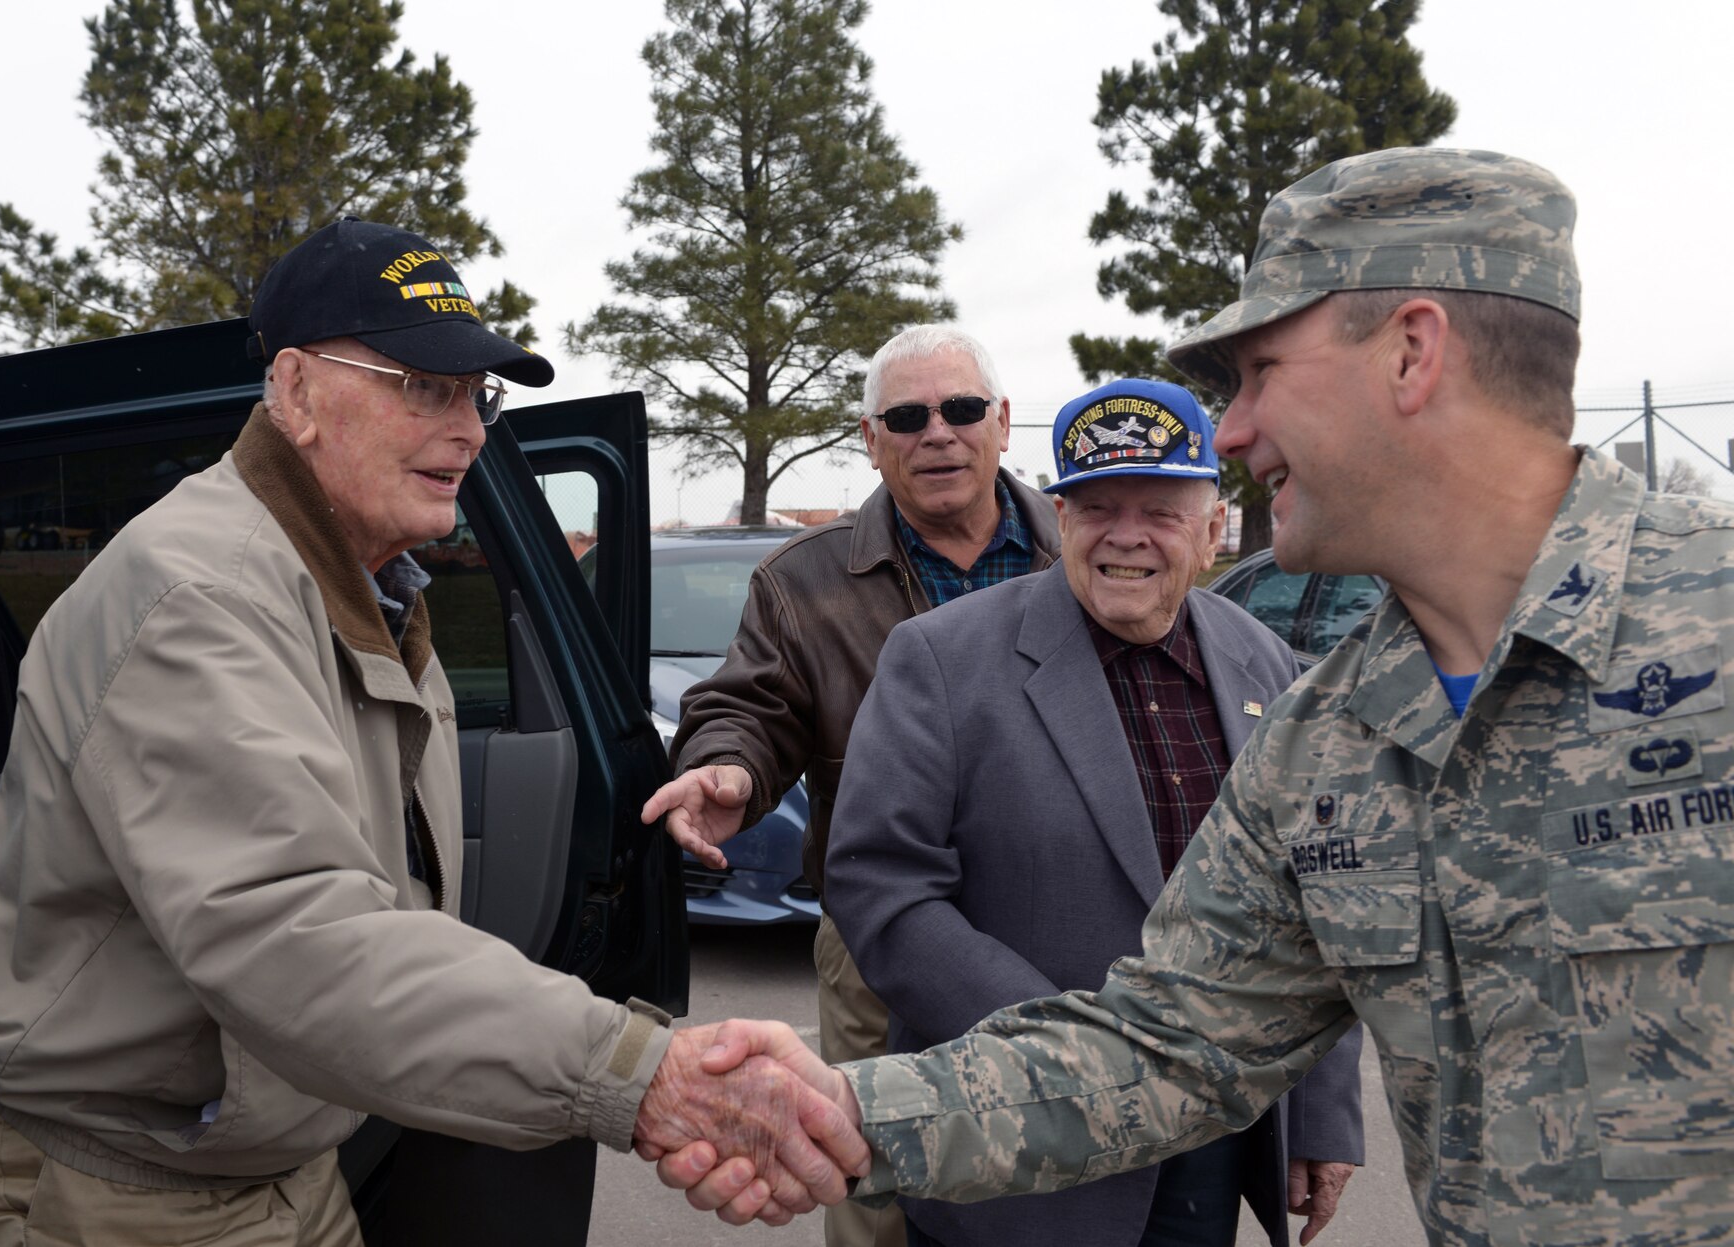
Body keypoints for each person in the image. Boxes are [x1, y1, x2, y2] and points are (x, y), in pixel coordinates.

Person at [670, 146, 1734, 1245]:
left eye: (1262, 370)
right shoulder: (1332, 735)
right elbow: (1172, 1040)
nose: (1229, 431)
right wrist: (842, 1106)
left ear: (1411, 353)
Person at [0, 218, 865, 1246]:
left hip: (261, 1165)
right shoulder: (199, 599)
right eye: (421, 384)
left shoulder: (364, 586)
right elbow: (298, 936)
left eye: (475, 394)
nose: (467, 428)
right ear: (293, 389)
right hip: (111, 1191)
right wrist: (643, 1074)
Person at [824, 377, 1363, 1247]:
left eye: (1160, 509)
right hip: (1011, 1149)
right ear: (1062, 520)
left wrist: (1323, 1113)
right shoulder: (941, 660)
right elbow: (881, 890)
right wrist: (1070, 1060)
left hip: (1211, 1144)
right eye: (1097, 506)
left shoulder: (1266, 662)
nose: (1126, 535)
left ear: (1213, 528)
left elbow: (1322, 902)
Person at [643, 323, 1063, 1247]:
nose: (937, 434)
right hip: (880, 927)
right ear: (870, 441)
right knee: (868, 1156)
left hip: (1058, 914)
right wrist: (729, 766)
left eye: (959, 410)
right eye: (906, 416)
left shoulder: (1079, 550)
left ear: (1000, 423)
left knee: (1065, 1146)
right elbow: (751, 705)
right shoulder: (803, 581)